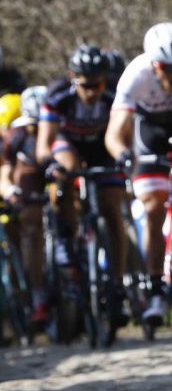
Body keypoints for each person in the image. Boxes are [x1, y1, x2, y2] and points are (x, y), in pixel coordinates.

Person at [105, 23, 172, 326]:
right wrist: (123, 154)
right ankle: (155, 289)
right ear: (155, 65)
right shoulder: (135, 75)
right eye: (168, 68)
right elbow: (114, 133)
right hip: (149, 132)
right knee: (153, 208)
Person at [37, 45, 129, 311]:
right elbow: (44, 145)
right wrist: (51, 166)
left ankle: (118, 283)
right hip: (69, 145)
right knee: (66, 167)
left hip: (102, 147)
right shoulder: (58, 97)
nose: (91, 92)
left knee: (112, 209)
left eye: (97, 85)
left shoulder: (114, 95)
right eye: (85, 85)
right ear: (73, 78)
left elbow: (124, 136)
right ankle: (66, 236)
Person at [1, 85, 47, 326]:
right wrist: (10, 191)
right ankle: (31, 295)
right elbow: (6, 174)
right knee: (28, 230)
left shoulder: (56, 130)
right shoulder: (15, 139)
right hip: (24, 192)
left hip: (46, 182)